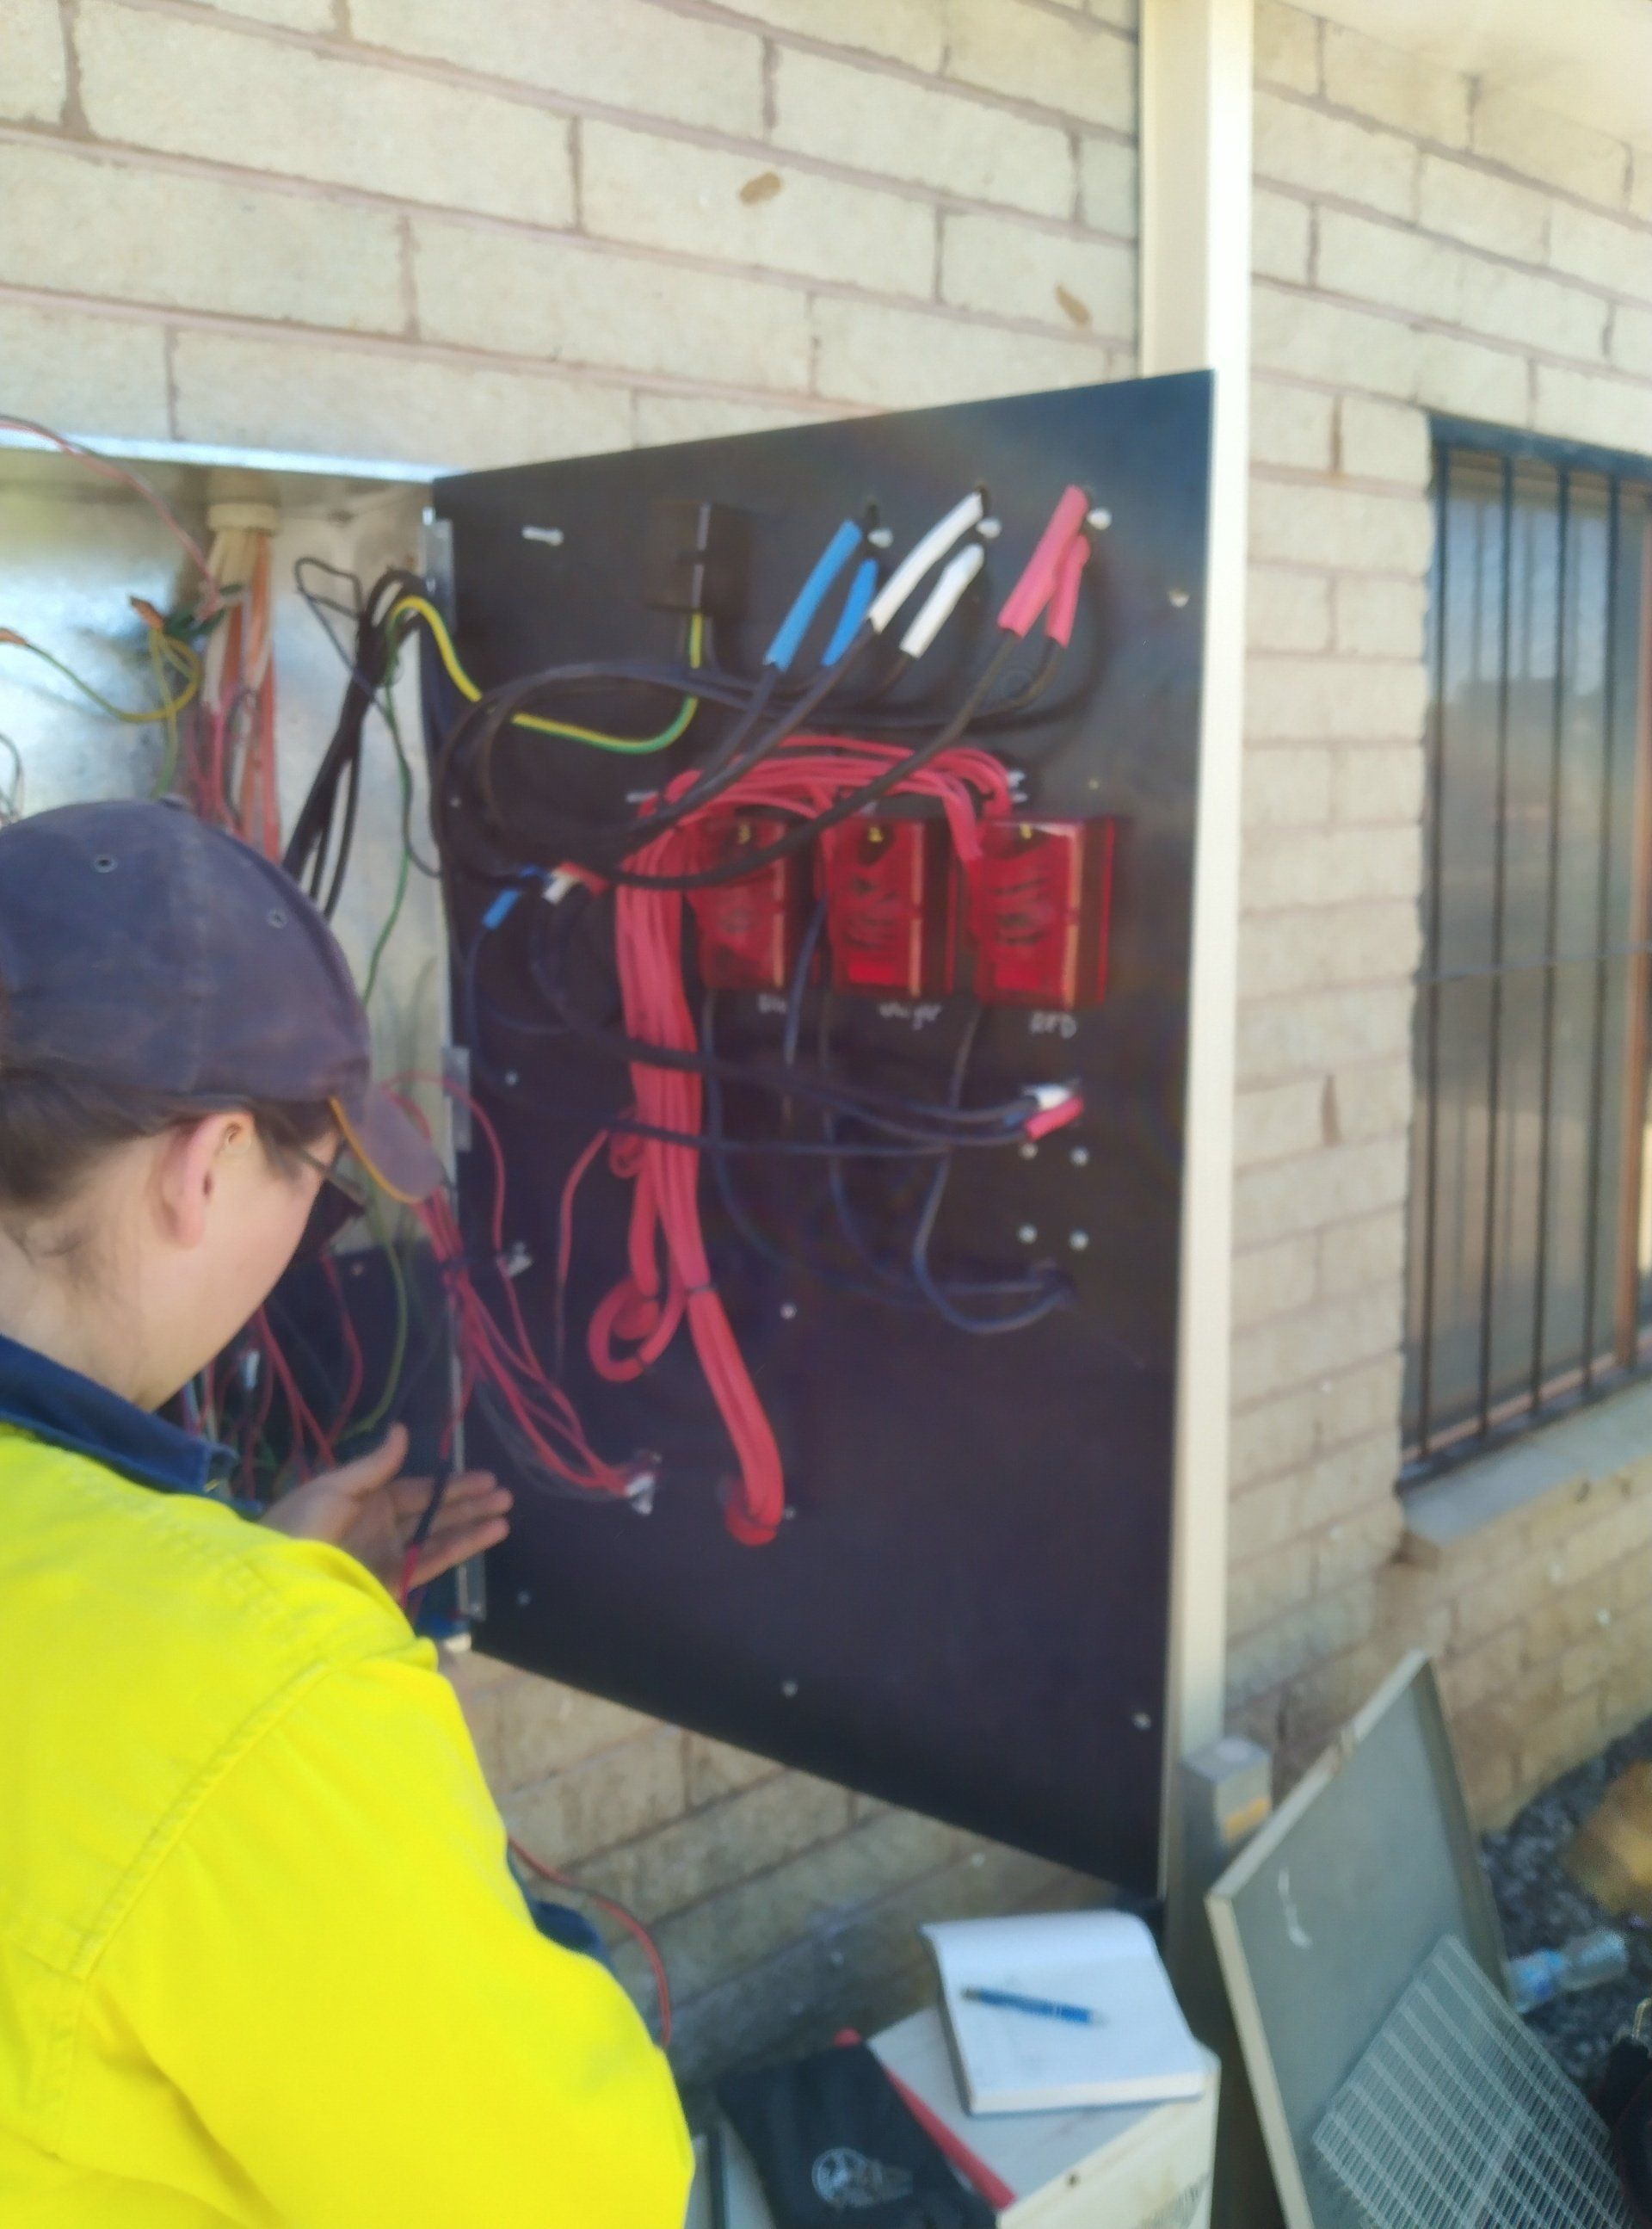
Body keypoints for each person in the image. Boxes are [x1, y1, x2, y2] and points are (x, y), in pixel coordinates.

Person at [0, 800, 692, 2226]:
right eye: (313, 1183)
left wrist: (229, 1585)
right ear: (204, 1166)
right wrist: (270, 1660)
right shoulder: (251, 1686)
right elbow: (588, 2197)